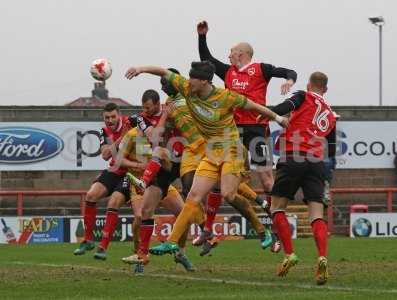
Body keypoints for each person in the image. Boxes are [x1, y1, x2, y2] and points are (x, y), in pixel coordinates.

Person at [125, 61, 288, 256]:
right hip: (210, 153)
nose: (188, 82)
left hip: (231, 150)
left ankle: (262, 230)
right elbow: (163, 71)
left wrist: (278, 119)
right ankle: (172, 242)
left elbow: (256, 107)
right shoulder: (187, 89)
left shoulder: (226, 97)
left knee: (228, 194)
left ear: (203, 81)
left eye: (193, 79)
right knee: (193, 197)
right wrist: (141, 69)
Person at [196, 20, 297, 198]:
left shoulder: (261, 69)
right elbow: (207, 59)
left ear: (241, 54)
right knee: (223, 176)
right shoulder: (228, 71)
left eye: (231, 52)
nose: (228, 56)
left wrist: (289, 81)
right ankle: (212, 221)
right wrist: (202, 36)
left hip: (257, 128)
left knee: (266, 177)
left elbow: (288, 72)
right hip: (233, 130)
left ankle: (274, 216)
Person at [264, 72, 336, 285]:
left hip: (293, 157)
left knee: (277, 208)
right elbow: (331, 150)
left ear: (308, 85)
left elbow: (281, 109)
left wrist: (264, 113)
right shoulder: (331, 114)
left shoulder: (303, 96)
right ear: (326, 89)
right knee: (316, 214)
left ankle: (290, 254)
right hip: (316, 163)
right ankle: (322, 257)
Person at [122, 89, 194, 274]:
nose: (144, 111)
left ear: (157, 103)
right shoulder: (140, 120)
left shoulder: (175, 109)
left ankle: (180, 252)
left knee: (184, 213)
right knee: (144, 213)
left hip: (179, 159)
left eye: (147, 107)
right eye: (143, 107)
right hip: (161, 167)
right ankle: (141, 256)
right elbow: (154, 138)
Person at [73, 103, 137, 259]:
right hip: (114, 169)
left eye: (113, 117)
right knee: (90, 195)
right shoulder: (104, 131)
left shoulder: (131, 124)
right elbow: (106, 155)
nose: (110, 120)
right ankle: (88, 240)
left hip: (130, 171)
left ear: (119, 115)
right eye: (106, 117)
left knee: (113, 203)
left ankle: (103, 247)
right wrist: (123, 137)